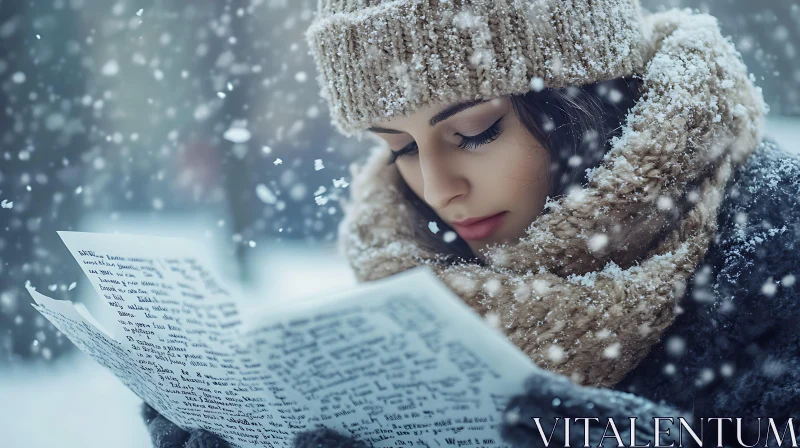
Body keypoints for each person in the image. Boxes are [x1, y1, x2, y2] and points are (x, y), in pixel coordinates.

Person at [142, 0, 800, 447]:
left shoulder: (777, 244)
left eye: (475, 131)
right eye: (399, 148)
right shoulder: (408, 283)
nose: (435, 188)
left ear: (585, 101)